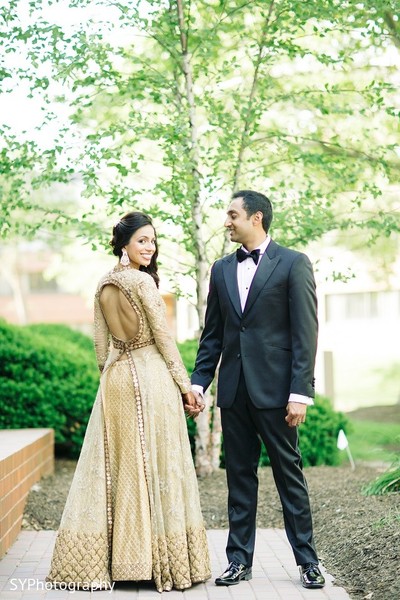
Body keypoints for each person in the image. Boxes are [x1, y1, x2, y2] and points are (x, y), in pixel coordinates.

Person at [47, 211, 211, 592]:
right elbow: (164, 340)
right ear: (124, 244)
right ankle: (159, 564)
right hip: (151, 377)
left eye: (153, 241)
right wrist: (185, 386)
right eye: (142, 240)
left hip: (115, 380)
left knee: (120, 469)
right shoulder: (142, 283)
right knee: (157, 466)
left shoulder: (102, 285)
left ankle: (117, 560)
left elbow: (100, 348)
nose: (150, 247)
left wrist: (113, 374)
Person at [191, 190, 325, 590]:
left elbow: (306, 333)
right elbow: (212, 335)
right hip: (233, 393)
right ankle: (238, 562)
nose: (227, 221)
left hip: (277, 395)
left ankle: (308, 562)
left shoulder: (293, 263)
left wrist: (300, 393)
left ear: (257, 218)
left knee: (289, 476)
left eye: (233, 215)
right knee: (240, 480)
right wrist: (199, 383)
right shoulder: (219, 269)